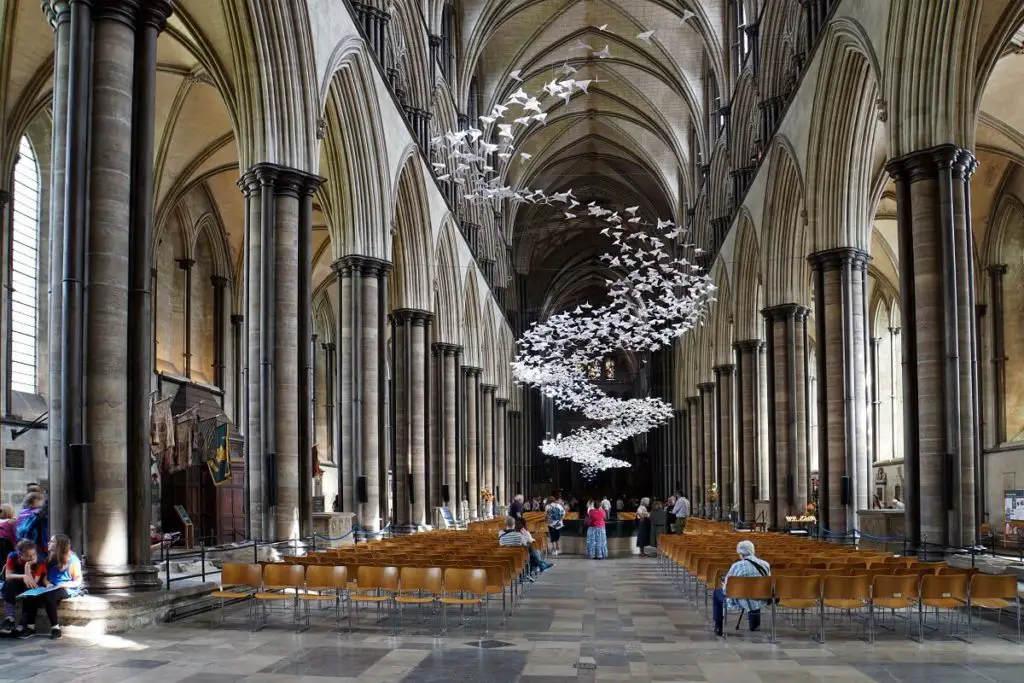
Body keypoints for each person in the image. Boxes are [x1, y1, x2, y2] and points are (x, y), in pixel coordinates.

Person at [13, 534, 82, 639]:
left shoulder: (73, 560)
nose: (48, 543)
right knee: (30, 595)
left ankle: (55, 627)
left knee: (51, 596)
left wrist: (63, 585)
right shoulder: (49, 559)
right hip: (51, 587)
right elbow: (45, 578)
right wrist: (47, 583)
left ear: (59, 545)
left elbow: (77, 581)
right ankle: (30, 627)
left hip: (66, 588)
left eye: (52, 542)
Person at [712, 540, 771, 637]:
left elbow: (727, 588)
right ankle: (755, 624)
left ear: (740, 554)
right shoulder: (765, 564)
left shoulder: (736, 566)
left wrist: (724, 584)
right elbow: (767, 582)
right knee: (755, 591)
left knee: (717, 593)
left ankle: (718, 626)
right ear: (753, 551)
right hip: (761, 597)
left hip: (740, 598)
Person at [1, 540, 47, 634]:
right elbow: (8, 576)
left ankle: (23, 622)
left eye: (33, 554)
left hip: (32, 584)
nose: (32, 557)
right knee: (8, 584)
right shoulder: (12, 557)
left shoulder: (40, 560)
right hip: (18, 581)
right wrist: (23, 576)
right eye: (28, 556)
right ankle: (9, 619)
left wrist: (27, 565)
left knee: (30, 590)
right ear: (20, 555)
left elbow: (33, 582)